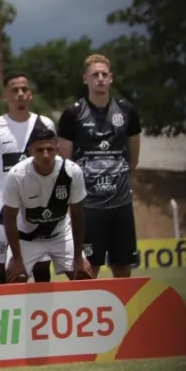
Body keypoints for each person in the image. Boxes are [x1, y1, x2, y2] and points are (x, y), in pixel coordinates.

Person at [58, 54, 143, 279]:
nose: (100, 79)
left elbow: (132, 160)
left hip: (121, 203)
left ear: (111, 78)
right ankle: (86, 313)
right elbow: (66, 165)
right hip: (89, 207)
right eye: (95, 75)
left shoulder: (127, 112)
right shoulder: (72, 114)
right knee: (88, 269)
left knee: (123, 268)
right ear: (85, 79)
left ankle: (124, 313)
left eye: (104, 74)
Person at [0, 74, 57, 284]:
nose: (20, 94)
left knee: (41, 272)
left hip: (39, 214)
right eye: (15, 90)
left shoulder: (45, 124)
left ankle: (42, 316)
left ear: (30, 94)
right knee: (3, 273)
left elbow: (52, 166)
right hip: (4, 214)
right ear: (5, 96)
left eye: (24, 89)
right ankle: (2, 315)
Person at [1, 126, 93, 282]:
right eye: (39, 150)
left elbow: (78, 215)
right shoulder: (17, 175)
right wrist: (17, 259)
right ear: (30, 151)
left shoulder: (72, 172)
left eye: (50, 149)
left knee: (83, 276)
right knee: (16, 278)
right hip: (27, 237)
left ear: (57, 149)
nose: (46, 155)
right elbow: (9, 218)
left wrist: (78, 257)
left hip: (60, 235)